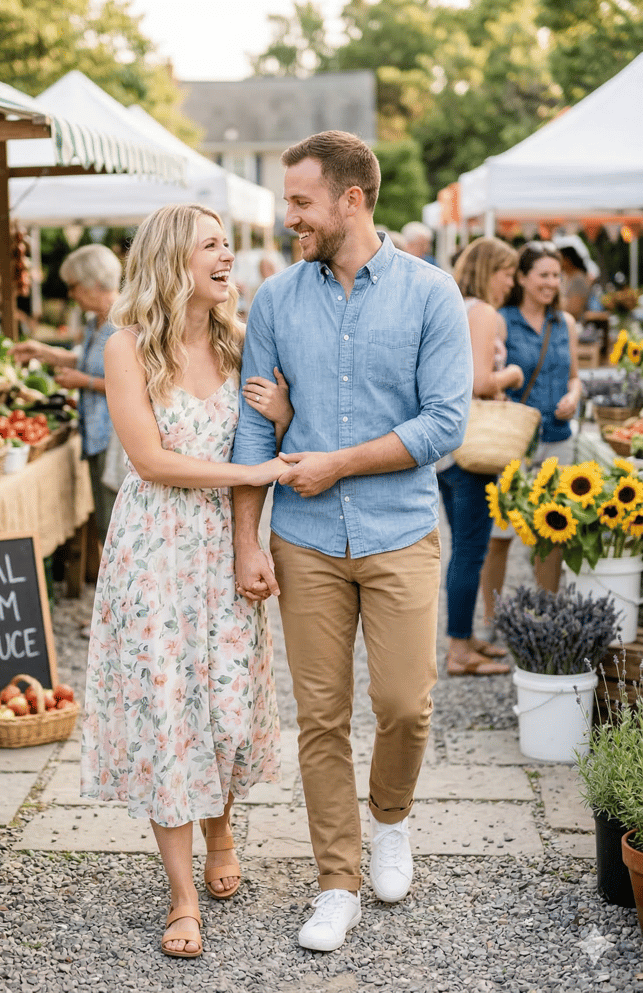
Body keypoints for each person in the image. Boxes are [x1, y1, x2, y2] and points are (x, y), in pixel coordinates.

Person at [231, 131, 472, 952]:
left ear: (351, 200)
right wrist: (247, 541)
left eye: (299, 202)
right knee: (320, 716)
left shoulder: (431, 293)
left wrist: (336, 462)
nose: (287, 218)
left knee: (405, 702)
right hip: (301, 539)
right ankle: (336, 879)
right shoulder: (274, 300)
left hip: (400, 529)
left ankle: (392, 820)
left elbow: (446, 421)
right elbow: (250, 433)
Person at [80, 204, 292, 960]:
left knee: (226, 710)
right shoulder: (126, 346)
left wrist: (284, 418)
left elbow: (271, 440)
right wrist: (253, 466)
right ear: (175, 260)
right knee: (169, 713)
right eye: (212, 245)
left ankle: (223, 827)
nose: (228, 256)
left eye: (228, 244)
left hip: (220, 547)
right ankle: (182, 894)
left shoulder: (240, 345)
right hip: (153, 553)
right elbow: (150, 460)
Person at [480, 241, 582, 630]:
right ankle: (491, 618)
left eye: (556, 275)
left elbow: (574, 376)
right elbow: (488, 378)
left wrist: (573, 396)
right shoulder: (503, 320)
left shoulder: (565, 324)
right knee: (500, 534)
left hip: (558, 437)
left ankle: (548, 614)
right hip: (513, 443)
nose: (551, 283)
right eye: (543, 274)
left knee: (551, 530)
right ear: (522, 278)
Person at [438, 237, 524, 676]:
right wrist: (513, 372)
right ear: (489, 270)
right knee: (471, 551)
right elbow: (479, 381)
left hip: (449, 450)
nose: (511, 282)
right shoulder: (484, 312)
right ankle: (458, 651)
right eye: (507, 272)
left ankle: (465, 638)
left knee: (462, 550)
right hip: (475, 447)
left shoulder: (456, 304)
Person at [10, 244, 122, 543]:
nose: (71, 294)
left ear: (95, 284)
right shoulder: (92, 322)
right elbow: (89, 362)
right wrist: (44, 352)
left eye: (74, 286)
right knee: (104, 524)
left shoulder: (126, 322)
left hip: (117, 439)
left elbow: (137, 384)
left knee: (115, 526)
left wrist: (83, 382)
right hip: (95, 434)